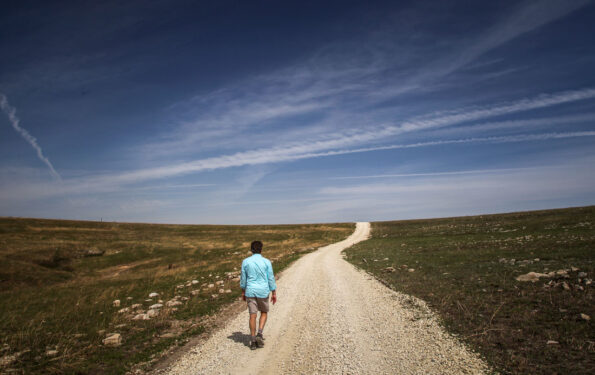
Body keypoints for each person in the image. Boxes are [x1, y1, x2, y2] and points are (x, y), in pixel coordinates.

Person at [240, 240, 277, 350]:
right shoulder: (266, 262)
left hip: (250, 291)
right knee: (264, 312)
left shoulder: (245, 262)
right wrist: (273, 292)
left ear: (251, 250)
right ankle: (259, 333)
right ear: (261, 249)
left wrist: (243, 291)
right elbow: (270, 278)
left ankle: (252, 339)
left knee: (252, 315)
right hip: (263, 291)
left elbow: (243, 278)